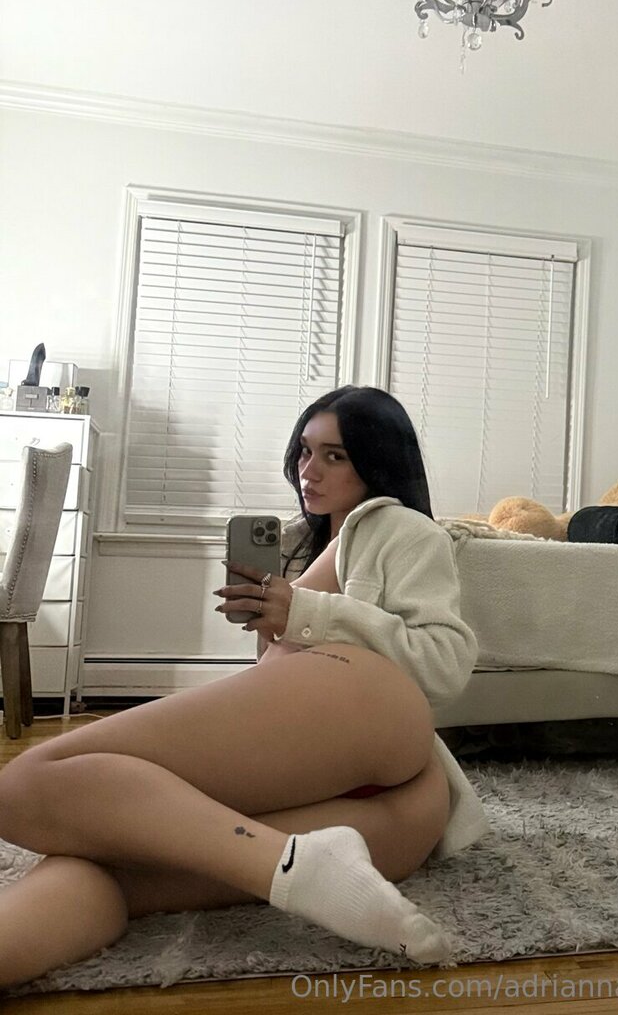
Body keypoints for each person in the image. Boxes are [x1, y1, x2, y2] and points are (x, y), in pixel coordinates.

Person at [0, 385, 490, 990]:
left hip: (377, 723)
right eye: (304, 452)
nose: (310, 470)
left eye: (335, 456)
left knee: (26, 785)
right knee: (105, 866)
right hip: (395, 817)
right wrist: (275, 623)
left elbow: (445, 662)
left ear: (378, 462)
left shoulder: (402, 527)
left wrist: (304, 611)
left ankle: (290, 864)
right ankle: (299, 865)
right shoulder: (321, 542)